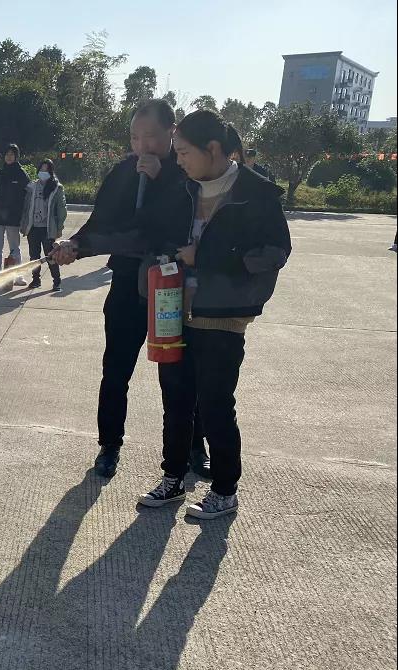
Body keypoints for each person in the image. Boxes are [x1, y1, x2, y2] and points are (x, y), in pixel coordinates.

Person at [56, 110, 291, 519]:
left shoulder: (254, 193)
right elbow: (142, 231)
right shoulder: (183, 188)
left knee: (215, 402)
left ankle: (224, 488)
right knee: (175, 396)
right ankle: (172, 475)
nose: (177, 159)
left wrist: (208, 256)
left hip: (222, 314)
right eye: (135, 137)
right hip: (173, 306)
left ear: (210, 149)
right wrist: (80, 244)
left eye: (182, 151)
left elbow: (274, 253)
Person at [61, 99, 210, 479]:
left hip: (169, 287)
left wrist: (161, 180)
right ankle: (109, 445)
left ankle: (193, 448)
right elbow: (103, 222)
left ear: (170, 133)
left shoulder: (187, 172)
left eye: (150, 137)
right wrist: (74, 246)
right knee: (116, 368)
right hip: (129, 282)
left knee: (178, 375)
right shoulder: (123, 172)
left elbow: (181, 223)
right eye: (134, 137)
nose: (142, 146)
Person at [19, 159, 66, 292]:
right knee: (34, 256)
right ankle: (36, 279)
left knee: (50, 256)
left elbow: (62, 209)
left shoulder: (57, 188)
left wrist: (59, 227)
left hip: (47, 228)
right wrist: (24, 225)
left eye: (46, 170)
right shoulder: (32, 186)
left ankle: (57, 281)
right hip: (33, 227)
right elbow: (26, 207)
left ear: (51, 172)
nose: (43, 172)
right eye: (41, 170)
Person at [0, 144, 31, 285]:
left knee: (15, 248)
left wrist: (24, 216)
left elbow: (28, 195)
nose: (9, 157)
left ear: (16, 156)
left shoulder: (22, 174)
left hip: (13, 218)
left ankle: (18, 276)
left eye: (11, 154)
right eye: (7, 154)